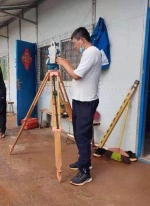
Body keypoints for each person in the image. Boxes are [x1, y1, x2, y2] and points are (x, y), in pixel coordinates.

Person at [56, 27, 102, 186]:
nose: (76, 47)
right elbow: (77, 73)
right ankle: (84, 161)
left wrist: (63, 63)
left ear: (81, 39)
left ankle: (85, 173)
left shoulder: (92, 52)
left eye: (76, 43)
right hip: (80, 100)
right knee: (79, 134)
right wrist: (66, 63)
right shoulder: (87, 54)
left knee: (82, 136)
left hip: (86, 101)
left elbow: (76, 75)